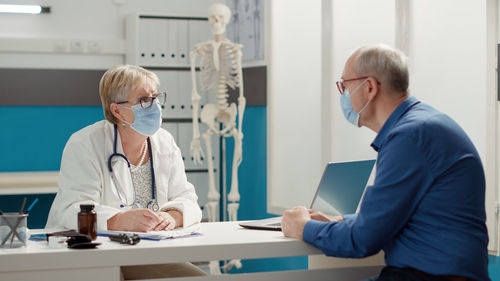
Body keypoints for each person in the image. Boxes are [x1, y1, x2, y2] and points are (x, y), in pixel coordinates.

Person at [281, 44, 489, 281]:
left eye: (345, 86)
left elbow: (363, 240)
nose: (343, 96)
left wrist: (303, 227)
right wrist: (340, 220)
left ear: (369, 87)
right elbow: (391, 219)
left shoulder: (409, 137)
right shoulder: (422, 125)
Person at [46, 65, 205, 279]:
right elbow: (71, 209)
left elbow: (186, 197)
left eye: (155, 97)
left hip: (145, 252)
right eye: (143, 100)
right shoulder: (85, 143)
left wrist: (173, 216)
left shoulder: (164, 141)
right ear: (117, 110)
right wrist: (118, 220)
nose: (154, 105)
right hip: (90, 253)